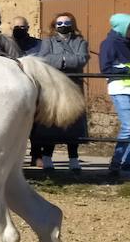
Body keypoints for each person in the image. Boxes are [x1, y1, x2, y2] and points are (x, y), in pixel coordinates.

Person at [32, 12, 89, 172]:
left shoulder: (80, 42)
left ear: (73, 24)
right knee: (52, 122)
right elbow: (44, 59)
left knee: (73, 123)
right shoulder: (48, 41)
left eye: (67, 23)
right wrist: (66, 59)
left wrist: (60, 60)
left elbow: (82, 58)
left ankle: (73, 158)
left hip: (74, 86)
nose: (63, 26)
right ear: (54, 26)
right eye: (60, 23)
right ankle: (47, 157)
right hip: (54, 85)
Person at [99, 13, 130, 180]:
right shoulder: (109, 44)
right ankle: (115, 163)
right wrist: (124, 70)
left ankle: (128, 163)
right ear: (121, 27)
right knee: (129, 128)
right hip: (121, 89)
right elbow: (105, 68)